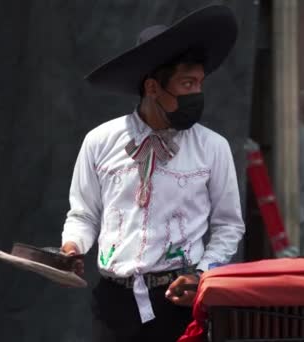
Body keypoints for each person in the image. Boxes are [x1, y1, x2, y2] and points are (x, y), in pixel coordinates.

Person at [59, 5, 244, 342]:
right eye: (187, 83)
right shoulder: (100, 142)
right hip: (113, 303)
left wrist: (201, 275)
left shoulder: (212, 148)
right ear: (153, 87)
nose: (196, 94)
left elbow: (229, 226)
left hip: (179, 299)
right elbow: (83, 214)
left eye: (199, 84)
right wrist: (72, 247)